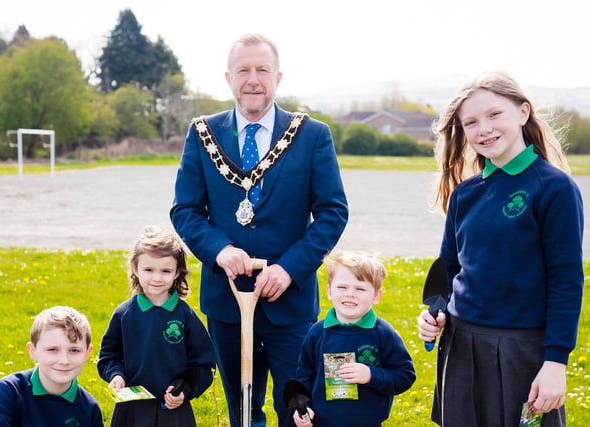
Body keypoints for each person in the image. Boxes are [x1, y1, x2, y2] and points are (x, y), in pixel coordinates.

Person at [170, 33, 348, 427]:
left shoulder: (312, 135)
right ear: (228, 78)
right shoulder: (203, 134)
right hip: (227, 301)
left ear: (278, 77)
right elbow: (185, 209)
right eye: (243, 70)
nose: (253, 79)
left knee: (300, 409)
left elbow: (333, 212)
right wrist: (219, 251)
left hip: (290, 303)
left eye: (262, 70)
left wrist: (288, 269)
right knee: (243, 412)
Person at [417, 70, 584, 426]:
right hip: (461, 345)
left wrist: (555, 363)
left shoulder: (554, 188)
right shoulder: (465, 193)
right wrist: (435, 311)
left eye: (495, 114)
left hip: (522, 350)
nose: (484, 129)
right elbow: (449, 270)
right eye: (471, 122)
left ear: (523, 113)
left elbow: (566, 282)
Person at [97, 225, 216, 426]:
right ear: (135, 269)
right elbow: (109, 357)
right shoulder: (124, 314)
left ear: (177, 272)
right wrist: (115, 375)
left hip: (173, 409)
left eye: (165, 270)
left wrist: (184, 390)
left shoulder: (185, 316)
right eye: (149, 270)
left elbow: (204, 365)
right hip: (132, 410)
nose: (157, 278)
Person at [292, 250, 416, 427]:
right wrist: (304, 407)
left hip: (367, 422)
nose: (350, 294)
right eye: (342, 287)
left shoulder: (383, 333)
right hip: (322, 422)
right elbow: (305, 375)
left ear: (376, 295)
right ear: (329, 290)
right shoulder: (317, 332)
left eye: (360, 289)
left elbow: (405, 375)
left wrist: (371, 375)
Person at [0, 305, 104, 427]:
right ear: (32, 351)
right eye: (52, 349)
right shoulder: (8, 391)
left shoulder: (90, 408)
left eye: (74, 350)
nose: (64, 360)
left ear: (87, 353)